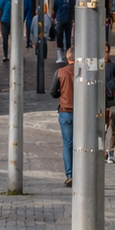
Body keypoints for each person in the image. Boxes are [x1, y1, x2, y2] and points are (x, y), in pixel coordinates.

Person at [51, 53, 76, 186]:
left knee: (68, 144)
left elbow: (53, 92)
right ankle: (81, 172)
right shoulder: (83, 72)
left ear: (68, 57)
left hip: (65, 111)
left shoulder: (60, 72)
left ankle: (70, 174)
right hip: (81, 113)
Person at [53, 0, 75, 64]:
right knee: (59, 38)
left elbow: (73, 7)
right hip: (60, 20)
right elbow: (55, 8)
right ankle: (60, 56)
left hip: (68, 20)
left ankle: (68, 55)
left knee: (68, 38)